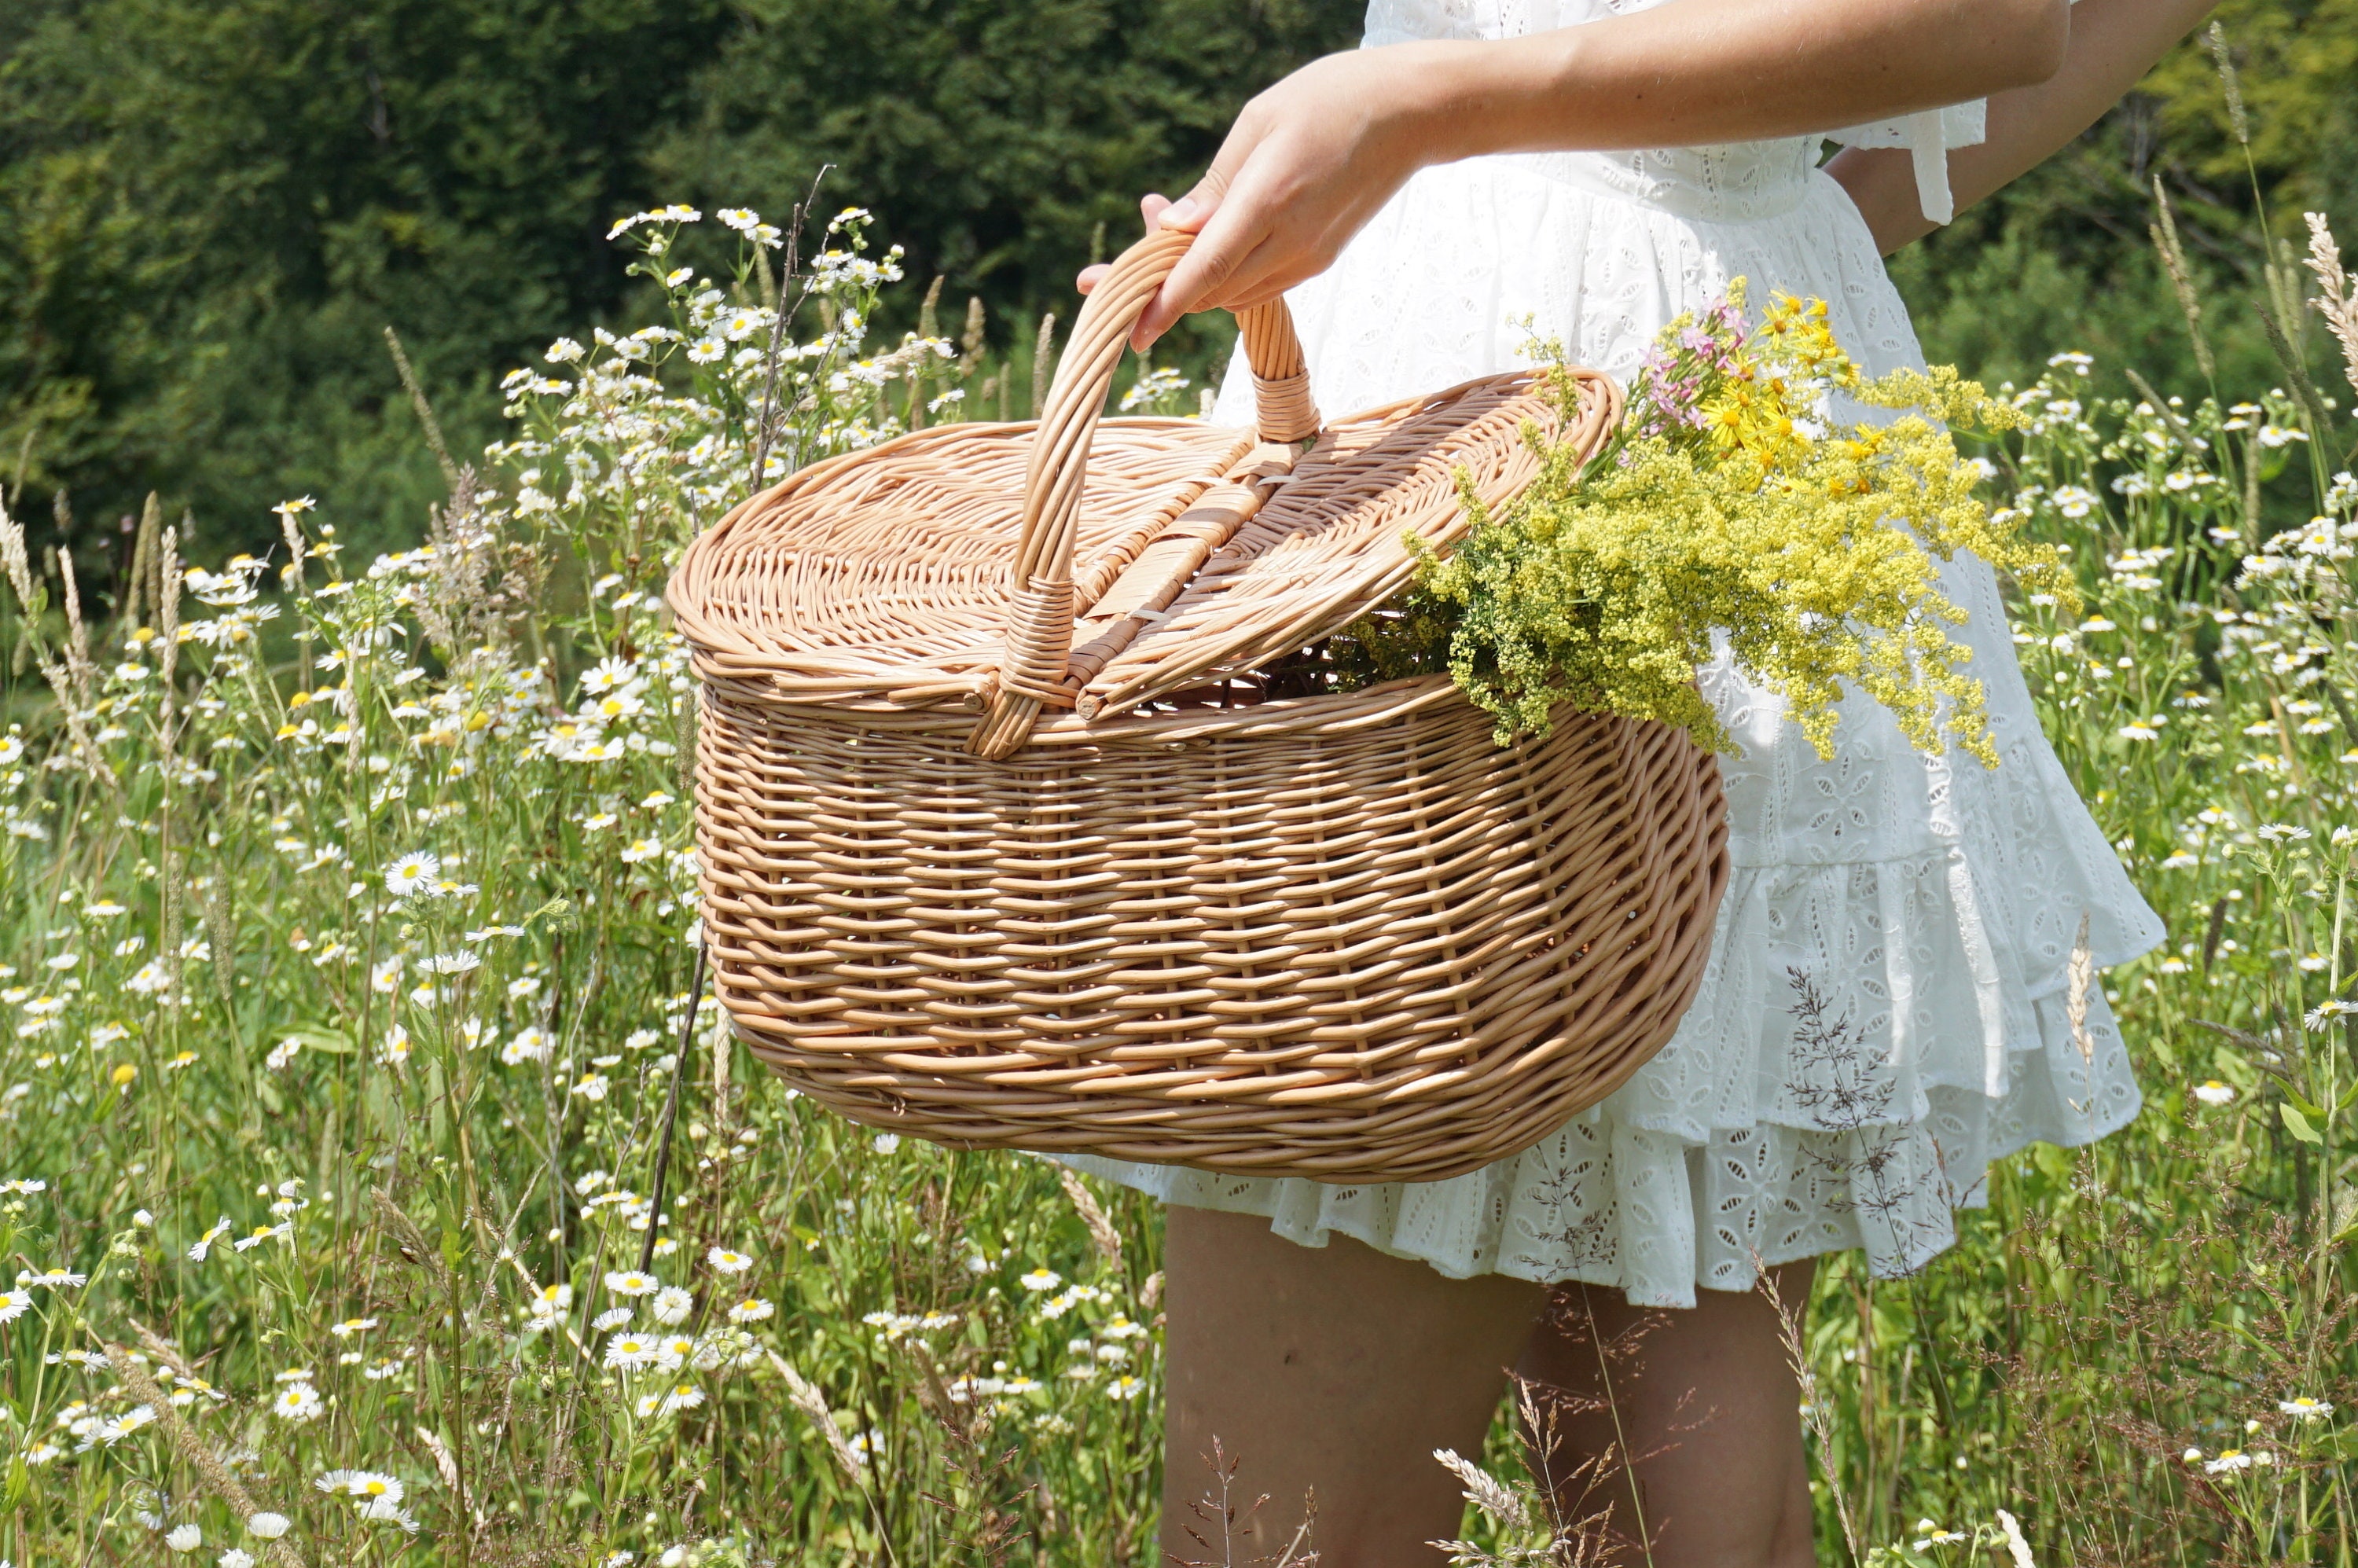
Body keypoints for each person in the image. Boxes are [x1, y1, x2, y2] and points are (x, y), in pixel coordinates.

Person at [1063, 2, 2217, 1562]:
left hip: (1520, 374)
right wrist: (1786, 204)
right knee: (1672, 1481)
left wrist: (1424, 106)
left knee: (1288, 1530)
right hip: (1685, 350)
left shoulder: (1437, 120)